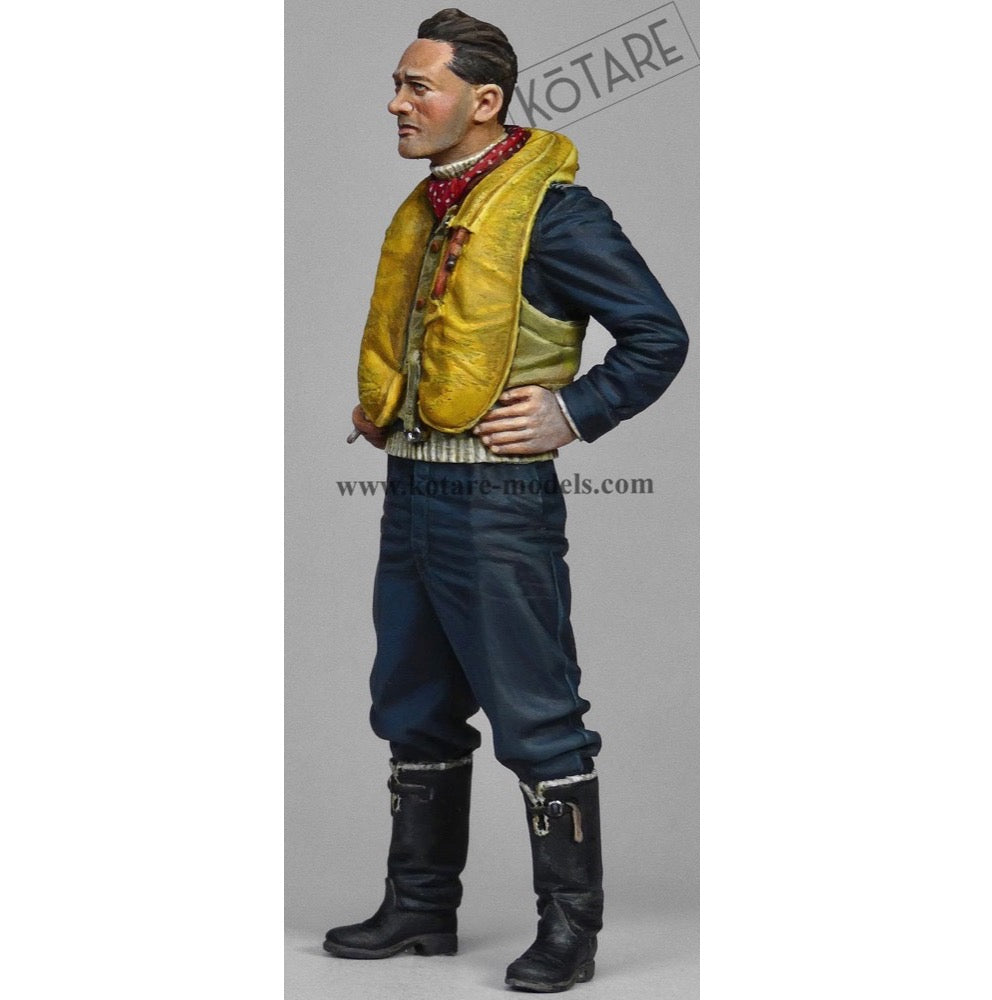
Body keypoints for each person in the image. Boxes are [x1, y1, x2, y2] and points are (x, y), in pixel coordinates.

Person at [323, 8, 688, 993]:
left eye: (418, 86)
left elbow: (658, 336)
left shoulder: (555, 213)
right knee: (412, 699)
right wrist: (390, 405)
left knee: (535, 711)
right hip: (412, 485)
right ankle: (420, 906)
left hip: (497, 501)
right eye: (398, 84)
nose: (397, 104)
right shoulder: (434, 205)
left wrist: (574, 410)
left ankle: (570, 929)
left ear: (483, 101)